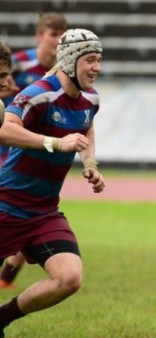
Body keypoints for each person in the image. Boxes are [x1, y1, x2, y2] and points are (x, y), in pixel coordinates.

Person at [0, 28, 104, 338]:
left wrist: (90, 163)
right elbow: (4, 128)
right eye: (90, 60)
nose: (96, 68)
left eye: (99, 60)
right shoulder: (39, 93)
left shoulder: (91, 99)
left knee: (69, 277)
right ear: (71, 60)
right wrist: (55, 143)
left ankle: (2, 319)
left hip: (44, 213)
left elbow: (86, 125)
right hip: (7, 204)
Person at [0, 12, 68, 290]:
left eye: (62, 36)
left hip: (30, 144)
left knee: (26, 209)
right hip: (11, 137)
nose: (57, 41)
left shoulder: (65, 70)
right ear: (40, 35)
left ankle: (6, 278)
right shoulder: (19, 63)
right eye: (53, 34)